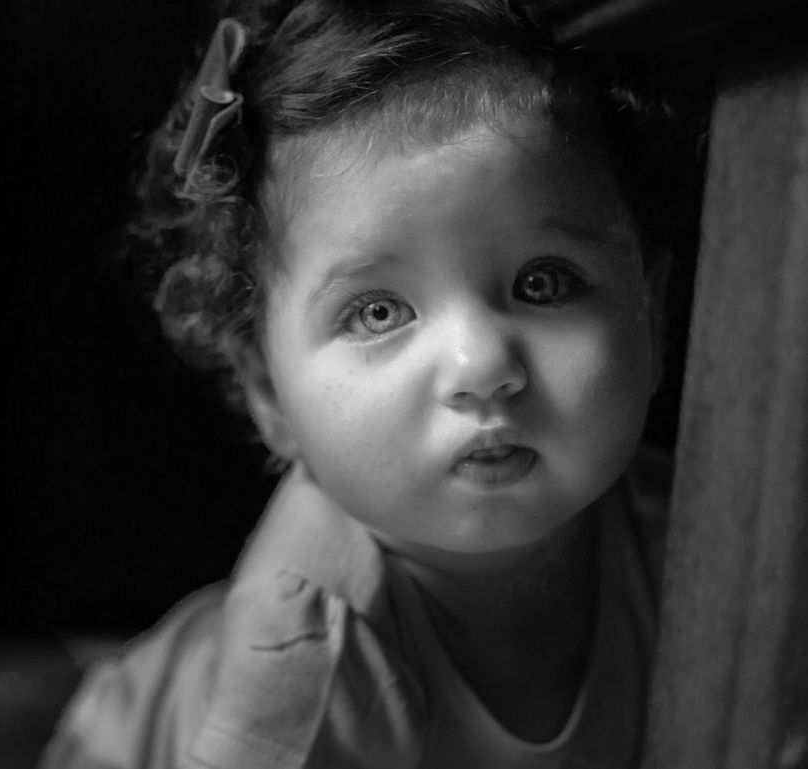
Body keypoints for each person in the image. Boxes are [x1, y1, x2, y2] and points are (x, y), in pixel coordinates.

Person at [42, 0, 697, 766]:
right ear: (266, 390)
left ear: (650, 313)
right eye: (379, 310)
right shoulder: (305, 656)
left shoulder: (699, 542)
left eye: (544, 282)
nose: (481, 362)